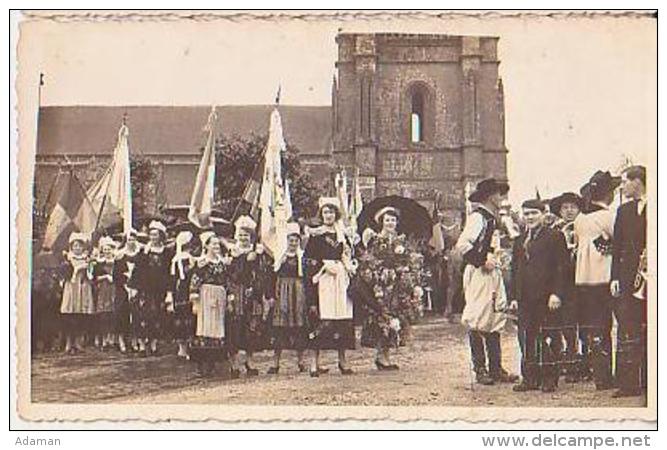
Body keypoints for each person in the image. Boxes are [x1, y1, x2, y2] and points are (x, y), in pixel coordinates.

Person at [453, 178, 518, 385]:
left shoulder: (492, 218)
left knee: (495, 317)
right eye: (499, 194)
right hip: (480, 272)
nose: (502, 198)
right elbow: (462, 244)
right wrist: (482, 260)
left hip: (493, 270)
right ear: (491, 196)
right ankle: (480, 369)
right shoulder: (477, 217)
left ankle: (496, 368)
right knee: (478, 317)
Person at [510, 199, 569, 393]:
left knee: (548, 335)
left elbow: (562, 268)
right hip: (525, 297)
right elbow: (515, 270)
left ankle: (550, 378)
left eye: (534, 213)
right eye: (526, 214)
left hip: (546, 297)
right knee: (526, 337)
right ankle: (530, 377)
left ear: (543, 214)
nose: (529, 217)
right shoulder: (519, 241)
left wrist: (557, 293)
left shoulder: (555, 237)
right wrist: (513, 297)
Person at [357, 206, 424, 370]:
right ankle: (380, 355)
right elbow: (368, 260)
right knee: (382, 315)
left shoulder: (400, 241)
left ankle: (386, 355)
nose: (390, 223)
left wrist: (408, 273)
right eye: (387, 220)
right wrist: (377, 274)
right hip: (381, 283)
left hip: (397, 285)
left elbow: (407, 259)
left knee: (395, 315)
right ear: (382, 222)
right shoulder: (375, 240)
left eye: (393, 220)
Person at [573, 170, 620, 390]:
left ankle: (600, 375)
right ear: (608, 194)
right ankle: (611, 374)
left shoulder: (580, 218)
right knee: (608, 325)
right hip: (605, 277)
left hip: (584, 278)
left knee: (594, 327)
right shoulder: (609, 216)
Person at [304, 197, 357, 377]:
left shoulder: (342, 234)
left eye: (332, 212)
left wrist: (347, 265)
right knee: (321, 319)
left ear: (336, 214)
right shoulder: (316, 235)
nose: (329, 215)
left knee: (342, 318)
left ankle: (342, 360)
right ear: (321, 214)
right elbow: (308, 260)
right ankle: (314, 363)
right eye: (325, 212)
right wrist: (321, 269)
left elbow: (348, 255)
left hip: (341, 279)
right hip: (324, 279)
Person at [610, 165, 647, 397]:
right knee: (628, 327)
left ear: (638, 181)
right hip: (628, 279)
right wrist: (615, 276)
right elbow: (617, 246)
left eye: (625, 181)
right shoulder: (623, 210)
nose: (622, 186)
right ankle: (629, 383)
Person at [227, 216, 273, 377]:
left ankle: (249, 361)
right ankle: (233, 365)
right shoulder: (230, 252)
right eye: (240, 234)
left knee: (251, 328)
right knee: (234, 328)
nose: (243, 238)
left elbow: (263, 273)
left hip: (252, 294)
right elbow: (228, 275)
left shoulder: (257, 253)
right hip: (235, 293)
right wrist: (231, 293)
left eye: (246, 235)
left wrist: (256, 289)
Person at [268, 222, 309, 374]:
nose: (293, 243)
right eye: (290, 240)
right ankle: (276, 362)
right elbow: (272, 276)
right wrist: (272, 295)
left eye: (295, 241)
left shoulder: (302, 257)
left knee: (300, 327)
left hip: (298, 291)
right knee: (279, 327)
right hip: (283, 291)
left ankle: (301, 361)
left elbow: (306, 275)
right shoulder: (280, 256)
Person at [189, 232, 230, 376]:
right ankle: (201, 365)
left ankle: (213, 364)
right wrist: (195, 301)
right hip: (205, 295)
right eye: (213, 244)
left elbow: (227, 281)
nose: (216, 246)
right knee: (204, 327)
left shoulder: (223, 263)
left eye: (218, 244)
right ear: (206, 246)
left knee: (217, 328)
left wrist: (229, 297)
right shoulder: (202, 263)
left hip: (220, 295)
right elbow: (195, 280)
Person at [133, 220, 175, 356]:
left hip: (159, 289)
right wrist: (145, 253)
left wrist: (169, 291)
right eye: (151, 235)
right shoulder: (143, 251)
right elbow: (138, 270)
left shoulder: (167, 252)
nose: (153, 237)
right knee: (143, 317)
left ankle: (154, 344)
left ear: (161, 236)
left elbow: (169, 273)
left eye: (155, 235)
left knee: (157, 317)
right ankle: (142, 345)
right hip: (145, 288)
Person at [59, 232, 95, 354]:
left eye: (79, 246)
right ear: (71, 247)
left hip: (83, 287)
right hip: (71, 288)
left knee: (81, 316)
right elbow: (64, 274)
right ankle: (69, 342)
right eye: (75, 246)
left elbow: (91, 274)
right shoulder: (67, 258)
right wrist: (74, 269)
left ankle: (79, 342)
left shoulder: (87, 258)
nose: (77, 248)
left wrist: (89, 266)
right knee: (69, 315)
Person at [113, 230, 141, 354]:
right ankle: (121, 341)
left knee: (136, 315)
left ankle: (135, 341)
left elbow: (143, 273)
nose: (131, 241)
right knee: (121, 314)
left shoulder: (139, 255)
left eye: (133, 239)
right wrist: (124, 284)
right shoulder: (120, 256)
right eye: (129, 239)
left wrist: (135, 286)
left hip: (136, 289)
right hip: (122, 289)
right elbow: (116, 275)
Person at [170, 231, 197, 359]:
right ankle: (184, 347)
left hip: (185, 290)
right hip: (182, 290)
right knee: (184, 318)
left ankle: (187, 347)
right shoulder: (178, 260)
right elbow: (174, 278)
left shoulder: (191, 259)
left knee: (186, 318)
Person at [92, 236, 118, 350]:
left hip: (114, 288)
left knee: (114, 313)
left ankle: (113, 338)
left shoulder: (116, 261)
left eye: (109, 249)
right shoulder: (99, 262)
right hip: (103, 288)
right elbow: (95, 277)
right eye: (105, 249)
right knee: (103, 315)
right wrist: (106, 277)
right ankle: (104, 340)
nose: (107, 251)